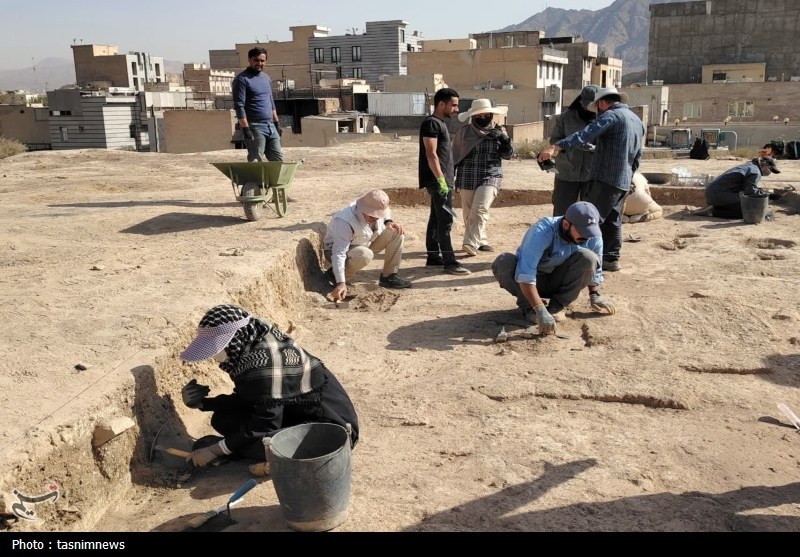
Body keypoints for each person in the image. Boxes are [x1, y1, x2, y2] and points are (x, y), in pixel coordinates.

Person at [180, 304, 359, 468]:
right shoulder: (255, 345)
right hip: (295, 414)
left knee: (267, 444)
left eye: (217, 348)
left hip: (331, 432)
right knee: (222, 419)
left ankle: (237, 453)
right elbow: (254, 398)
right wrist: (205, 404)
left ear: (235, 339)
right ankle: (236, 449)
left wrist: (217, 449)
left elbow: (265, 424)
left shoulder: (265, 363)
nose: (215, 356)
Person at [538, 87, 644, 272]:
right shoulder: (636, 120)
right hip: (622, 180)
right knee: (612, 220)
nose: (597, 111)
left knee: (589, 220)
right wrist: (628, 175)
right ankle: (611, 259)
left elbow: (583, 135)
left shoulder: (611, 116)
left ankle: (579, 261)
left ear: (602, 103)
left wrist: (555, 148)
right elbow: (637, 156)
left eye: (598, 107)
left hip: (605, 179)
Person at [492, 201, 615, 335]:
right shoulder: (542, 231)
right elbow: (525, 275)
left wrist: (594, 294)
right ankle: (530, 308)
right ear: (566, 225)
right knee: (503, 262)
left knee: (589, 258)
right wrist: (540, 310)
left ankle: (556, 307)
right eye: (582, 232)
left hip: (558, 281)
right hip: (530, 284)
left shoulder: (592, 235)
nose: (587, 237)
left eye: (590, 231)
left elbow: (594, 268)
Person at [452, 98, 514, 256]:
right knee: (468, 212)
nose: (482, 118)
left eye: (485, 115)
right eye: (478, 116)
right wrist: (449, 176)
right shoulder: (464, 132)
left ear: (491, 115)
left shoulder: (500, 131)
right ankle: (482, 240)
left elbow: (508, 156)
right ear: (473, 116)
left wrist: (504, 140)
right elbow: (454, 156)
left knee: (480, 209)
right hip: (467, 176)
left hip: (490, 175)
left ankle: (470, 243)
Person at [323, 189, 412, 299]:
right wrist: (341, 282)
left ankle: (389, 277)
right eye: (372, 216)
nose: (375, 219)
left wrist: (388, 221)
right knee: (365, 254)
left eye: (378, 216)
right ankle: (335, 276)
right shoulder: (344, 221)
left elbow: (386, 210)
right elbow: (339, 253)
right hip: (338, 250)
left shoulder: (374, 206)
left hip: (365, 242)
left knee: (396, 232)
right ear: (362, 209)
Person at [419, 87, 470, 275]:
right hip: (439, 181)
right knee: (445, 220)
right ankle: (450, 262)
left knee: (436, 219)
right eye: (453, 105)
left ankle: (433, 257)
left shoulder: (438, 123)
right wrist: (441, 180)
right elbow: (431, 154)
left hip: (442, 179)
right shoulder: (432, 124)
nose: (456, 109)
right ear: (442, 104)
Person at [549, 85, 599, 216]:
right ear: (580, 100)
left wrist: (592, 148)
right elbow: (554, 141)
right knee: (561, 211)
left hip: (592, 174)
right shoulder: (565, 118)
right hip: (567, 173)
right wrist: (569, 147)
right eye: (585, 104)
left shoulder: (603, 120)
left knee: (590, 213)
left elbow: (607, 146)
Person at [232, 47, 284, 163]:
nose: (259, 63)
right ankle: (255, 182)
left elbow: (270, 102)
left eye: (262, 61)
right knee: (256, 160)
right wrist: (245, 129)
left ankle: (272, 181)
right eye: (256, 60)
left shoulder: (266, 78)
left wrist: (276, 123)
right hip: (254, 127)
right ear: (250, 60)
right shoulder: (241, 79)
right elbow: (239, 105)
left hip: (270, 126)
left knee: (278, 159)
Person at [704, 156, 780, 218]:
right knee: (749, 212)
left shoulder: (750, 166)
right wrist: (768, 196)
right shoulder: (755, 172)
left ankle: (716, 208)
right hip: (718, 194)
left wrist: (762, 193)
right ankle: (713, 212)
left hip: (713, 192)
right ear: (765, 165)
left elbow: (747, 187)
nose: (770, 173)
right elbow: (750, 191)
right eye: (770, 170)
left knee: (743, 203)